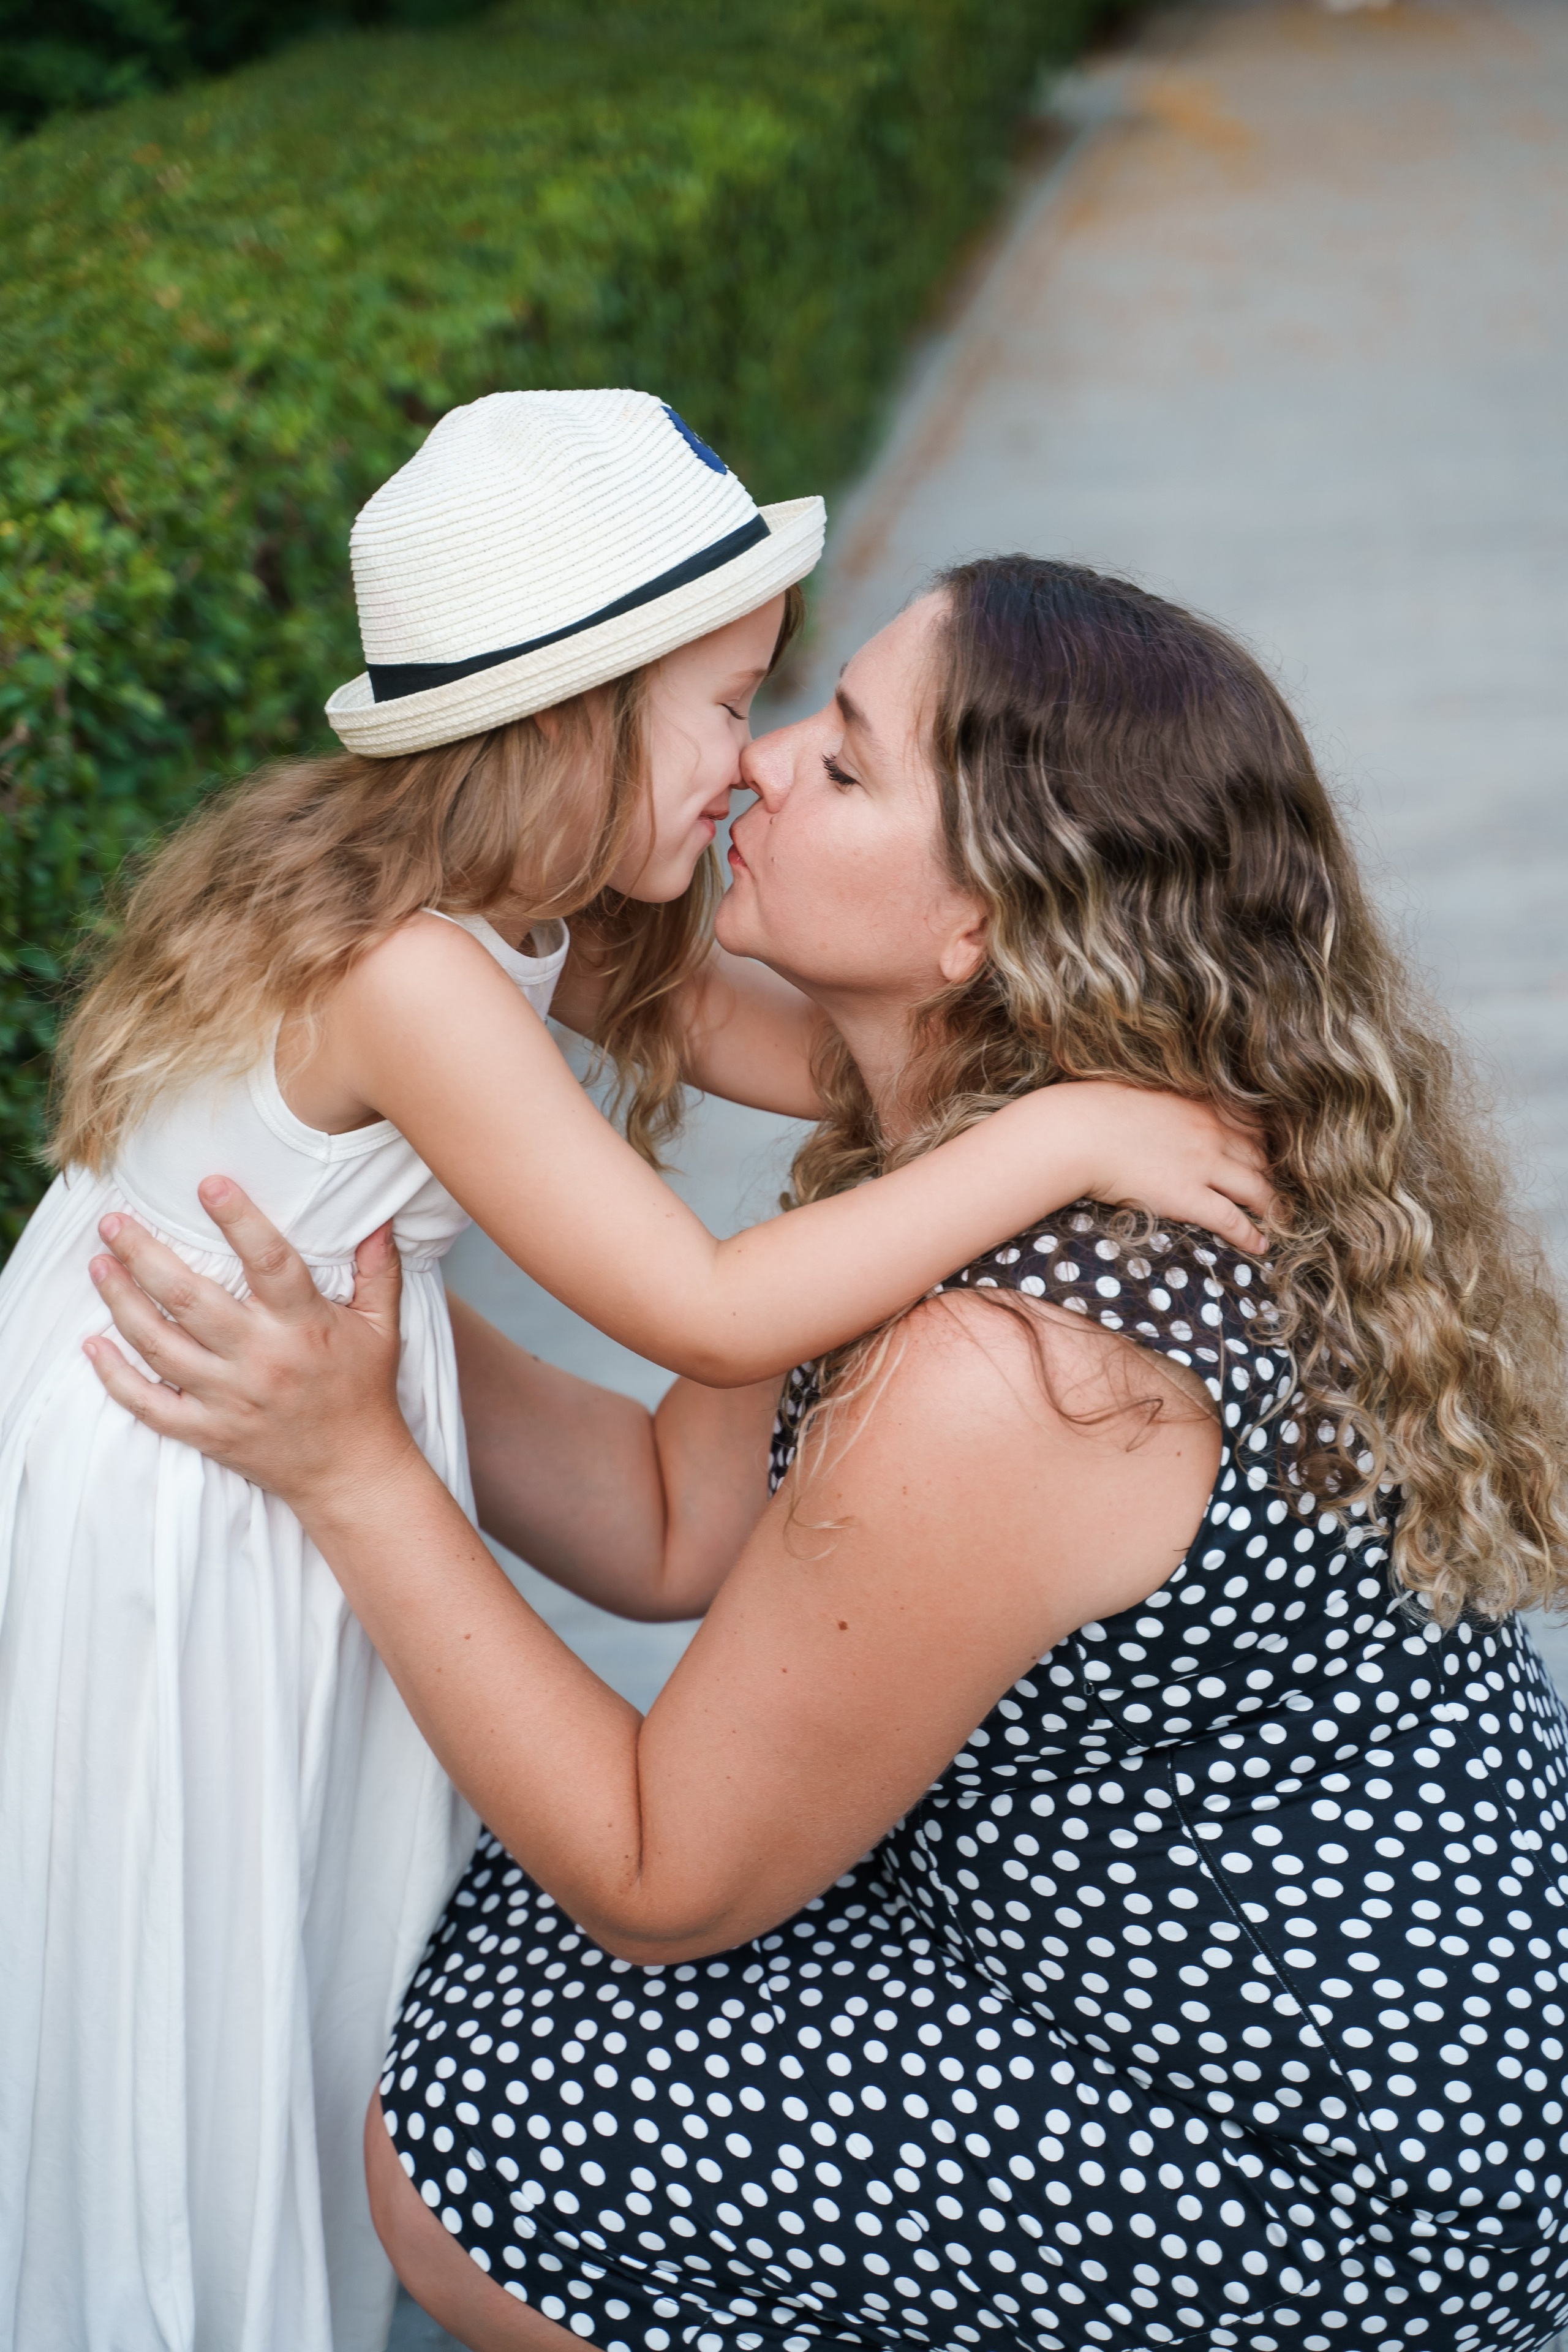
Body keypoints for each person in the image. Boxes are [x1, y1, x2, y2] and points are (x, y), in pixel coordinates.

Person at [88, 556, 1568, 2352]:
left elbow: (659, 1877)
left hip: (1324, 2163)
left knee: (489, 2130)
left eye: (847, 763)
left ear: (983, 927)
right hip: (1243, 1981)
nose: (767, 765)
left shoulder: (1021, 1366)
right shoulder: (974, 1134)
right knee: (509, 1946)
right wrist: (352, 1333)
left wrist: (355, 1477)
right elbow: (667, 1525)